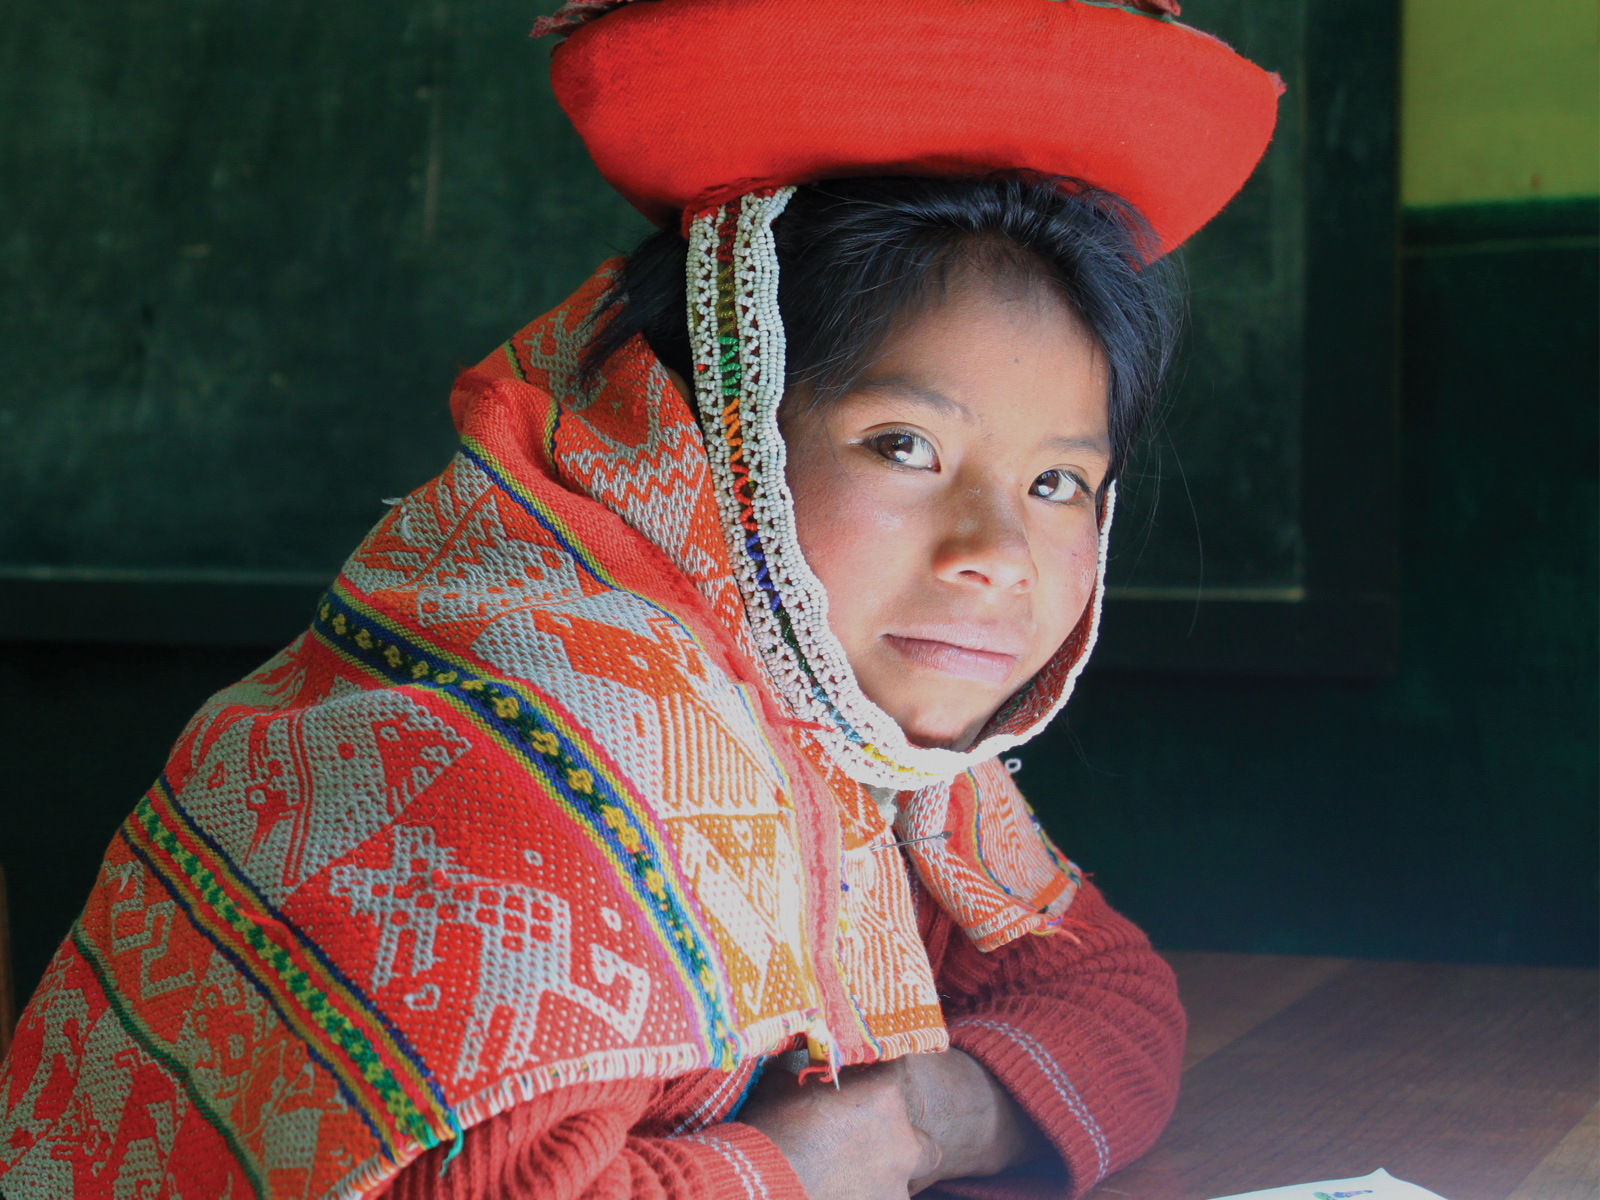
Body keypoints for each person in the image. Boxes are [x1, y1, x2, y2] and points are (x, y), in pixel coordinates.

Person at [0, 2, 1280, 1197]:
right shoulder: (520, 744)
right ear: (708, 441)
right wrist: (792, 1170)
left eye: (1061, 481)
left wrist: (908, 1121)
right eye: (901, 446)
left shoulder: (869, 761)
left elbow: (1111, 1000)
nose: (995, 549)